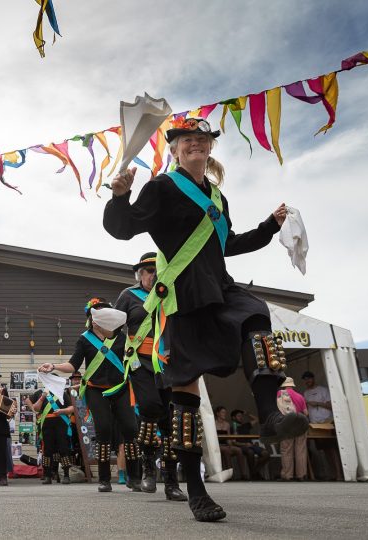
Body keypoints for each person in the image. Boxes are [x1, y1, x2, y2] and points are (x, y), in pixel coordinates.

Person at [103, 116, 306, 521]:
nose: (195, 144)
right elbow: (123, 228)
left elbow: (227, 243)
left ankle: (269, 413)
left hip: (219, 285)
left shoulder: (216, 196)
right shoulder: (161, 186)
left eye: (202, 139)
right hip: (184, 295)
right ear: (175, 150)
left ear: (210, 148)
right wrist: (120, 196)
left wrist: (270, 226)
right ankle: (195, 491)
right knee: (185, 398)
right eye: (186, 140)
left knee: (255, 313)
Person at [38, 299, 140, 493]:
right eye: (95, 313)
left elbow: (132, 361)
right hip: (95, 389)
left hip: (121, 387)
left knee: (130, 428)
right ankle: (104, 479)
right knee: (103, 429)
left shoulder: (121, 337)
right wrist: (54, 366)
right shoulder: (85, 339)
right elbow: (72, 366)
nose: (98, 316)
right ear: (91, 319)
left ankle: (135, 478)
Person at [115, 252, 187, 500]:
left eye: (156, 269)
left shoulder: (169, 293)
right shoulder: (128, 296)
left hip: (167, 361)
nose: (152, 274)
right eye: (147, 270)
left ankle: (170, 482)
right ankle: (147, 466)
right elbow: (114, 328)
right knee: (150, 406)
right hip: (140, 361)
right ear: (139, 274)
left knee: (170, 421)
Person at [31, 385, 75, 484]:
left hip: (61, 423)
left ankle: (66, 475)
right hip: (47, 424)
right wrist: (43, 397)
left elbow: (72, 407)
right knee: (47, 450)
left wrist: (63, 411)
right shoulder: (42, 393)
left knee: (63, 448)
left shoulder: (62, 393)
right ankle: (47, 475)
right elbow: (36, 408)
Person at [278, 378, 309, 481]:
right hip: (300, 424)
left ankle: (288, 475)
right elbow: (306, 413)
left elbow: (279, 409)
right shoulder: (300, 396)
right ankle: (301, 475)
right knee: (300, 450)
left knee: (286, 450)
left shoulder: (280, 393)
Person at [230, 409, 270, 479]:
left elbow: (257, 419)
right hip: (241, 446)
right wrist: (244, 444)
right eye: (238, 416)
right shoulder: (232, 427)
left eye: (241, 416)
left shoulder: (246, 425)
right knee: (250, 452)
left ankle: (254, 472)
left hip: (251, 445)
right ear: (233, 418)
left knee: (266, 454)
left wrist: (247, 414)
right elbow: (234, 442)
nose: (241, 417)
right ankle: (254, 474)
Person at [214, 406, 250, 480]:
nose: (225, 414)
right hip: (217, 445)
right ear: (218, 414)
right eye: (223, 412)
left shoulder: (227, 424)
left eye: (225, 413)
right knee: (227, 451)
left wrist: (230, 444)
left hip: (226, 444)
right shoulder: (214, 423)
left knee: (238, 450)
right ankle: (230, 474)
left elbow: (228, 437)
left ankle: (243, 474)